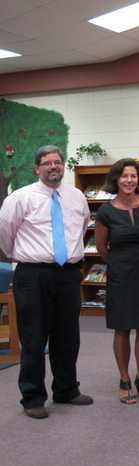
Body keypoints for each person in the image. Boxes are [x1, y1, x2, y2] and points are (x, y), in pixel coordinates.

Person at [0, 145, 93, 419]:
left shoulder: (77, 196)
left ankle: (66, 389)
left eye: (57, 162)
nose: (53, 166)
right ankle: (32, 397)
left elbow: (82, 227)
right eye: (47, 163)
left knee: (68, 335)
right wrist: (23, 255)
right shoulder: (20, 198)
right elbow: (5, 233)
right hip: (33, 275)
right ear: (37, 169)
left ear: (63, 166)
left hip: (68, 274)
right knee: (33, 336)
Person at [95, 158, 139, 405]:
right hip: (120, 276)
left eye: (133, 176)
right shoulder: (105, 211)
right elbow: (102, 248)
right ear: (116, 179)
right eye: (124, 176)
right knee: (122, 328)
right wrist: (120, 263)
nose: (129, 180)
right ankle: (124, 380)